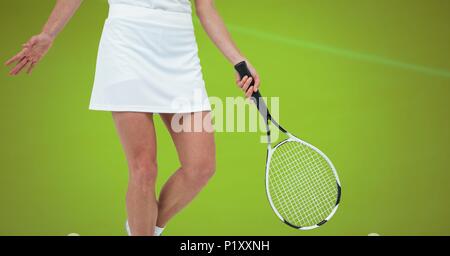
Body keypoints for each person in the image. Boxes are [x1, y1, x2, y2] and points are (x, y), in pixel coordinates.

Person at [5, 0, 260, 236]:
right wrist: (48, 34)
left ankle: (143, 229)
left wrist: (239, 60)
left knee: (201, 167)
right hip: (127, 47)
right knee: (144, 169)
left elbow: (206, 8)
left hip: (180, 51)